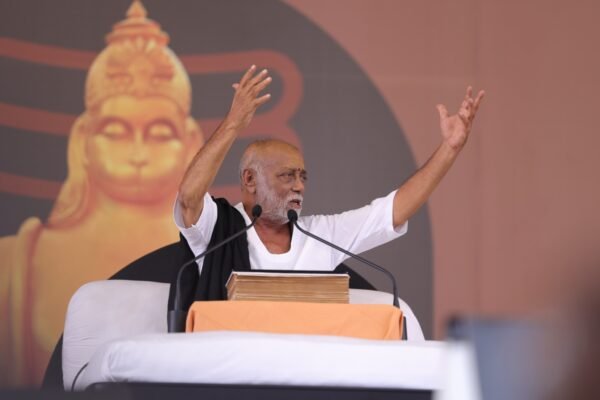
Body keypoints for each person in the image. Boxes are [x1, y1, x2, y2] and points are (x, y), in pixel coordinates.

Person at [0, 1, 203, 385]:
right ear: (83, 139)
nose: (138, 153)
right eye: (116, 131)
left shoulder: (218, 254)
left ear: (191, 142)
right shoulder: (15, 262)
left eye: (160, 133)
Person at [174, 65, 484, 299]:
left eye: (302, 177)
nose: (299, 186)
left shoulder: (319, 235)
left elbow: (392, 212)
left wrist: (449, 149)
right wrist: (233, 124)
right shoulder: (218, 228)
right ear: (250, 179)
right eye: (287, 176)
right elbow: (189, 197)